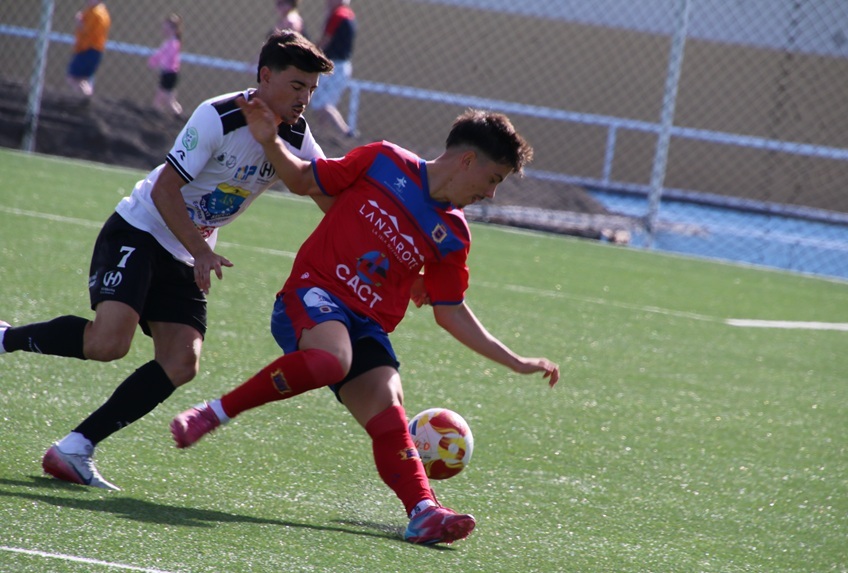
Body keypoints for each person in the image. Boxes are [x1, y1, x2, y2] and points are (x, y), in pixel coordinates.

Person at [170, 101, 561, 545]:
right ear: (468, 161)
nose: (490, 194)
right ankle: (214, 412)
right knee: (332, 359)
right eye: (493, 179)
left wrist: (515, 361)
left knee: (389, 403)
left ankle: (423, 512)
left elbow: (450, 311)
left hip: (366, 325)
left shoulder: (453, 234)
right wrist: (270, 141)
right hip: (312, 294)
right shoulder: (383, 160)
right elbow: (302, 179)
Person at [0, 31, 334, 491]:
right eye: (297, 85)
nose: (305, 99)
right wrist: (202, 251)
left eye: (312, 90)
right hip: (142, 228)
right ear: (265, 76)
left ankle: (75, 448)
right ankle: (6, 337)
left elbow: (326, 194)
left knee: (181, 361)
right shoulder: (218, 116)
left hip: (186, 250)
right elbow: (164, 190)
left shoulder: (296, 136)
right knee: (107, 343)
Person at [310, 0, 357, 137]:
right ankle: (322, 133)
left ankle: (346, 132)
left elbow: (326, 39)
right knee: (323, 104)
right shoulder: (348, 14)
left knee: (322, 104)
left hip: (334, 66)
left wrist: (311, 53)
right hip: (341, 66)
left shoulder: (338, 15)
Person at [66, 0, 111, 98]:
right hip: (94, 50)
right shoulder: (101, 11)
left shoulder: (95, 12)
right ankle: (86, 97)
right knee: (83, 79)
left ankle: (86, 98)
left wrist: (79, 22)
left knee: (73, 77)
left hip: (88, 49)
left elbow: (87, 31)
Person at [148, 13, 184, 117]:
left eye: (167, 28)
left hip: (170, 73)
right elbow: (160, 54)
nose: (164, 30)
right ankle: (156, 111)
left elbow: (169, 57)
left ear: (174, 30)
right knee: (163, 96)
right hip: (167, 73)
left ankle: (178, 115)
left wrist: (160, 63)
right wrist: (154, 61)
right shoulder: (168, 42)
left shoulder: (174, 44)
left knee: (167, 99)